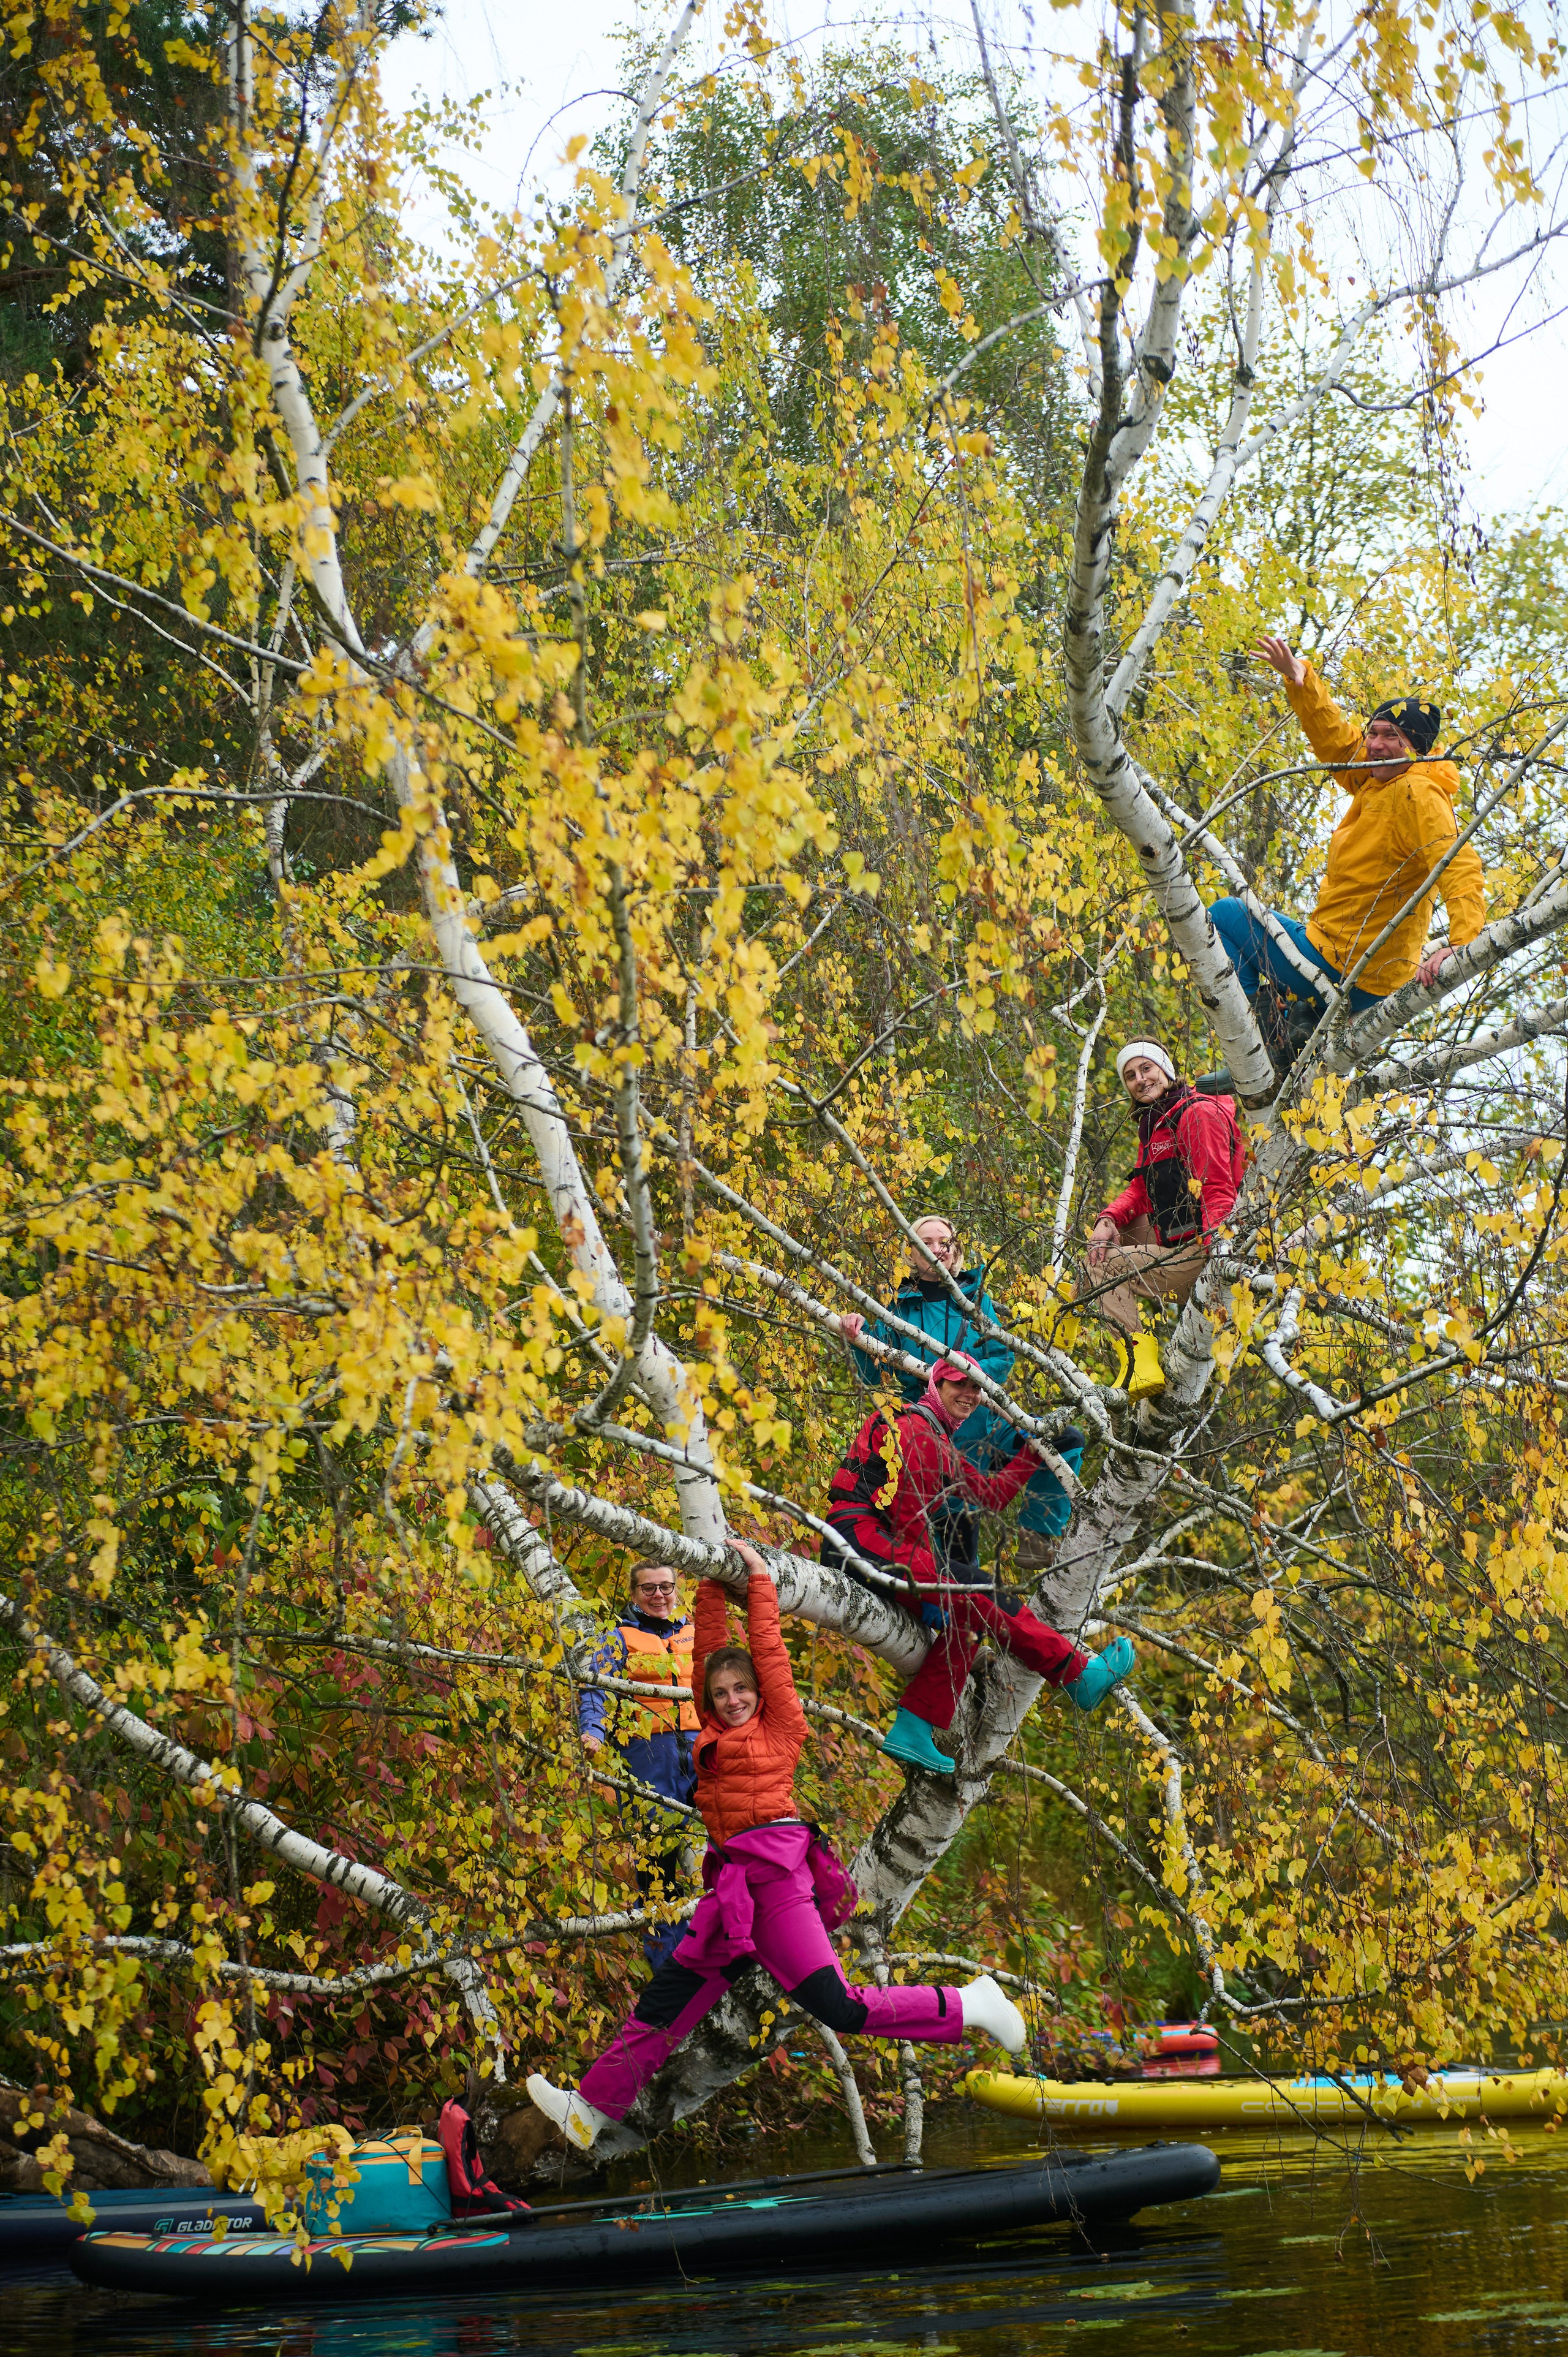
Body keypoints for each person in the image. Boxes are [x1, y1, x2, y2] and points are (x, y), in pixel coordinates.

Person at [525, 1542, 1031, 2152]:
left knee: (839, 2006)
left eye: (741, 1690)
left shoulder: (780, 1722)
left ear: (757, 1693)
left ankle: (970, 2003)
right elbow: (709, 1650)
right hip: (733, 1893)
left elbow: (765, 1652)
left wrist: (759, 1580)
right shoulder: (710, 1729)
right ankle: (589, 2108)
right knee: (665, 2002)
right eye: (721, 1693)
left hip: (779, 1883)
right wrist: (713, 1578)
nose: (732, 1698)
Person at [824, 1355, 1134, 1776]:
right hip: (858, 1541)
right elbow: (906, 1516)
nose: (969, 1395)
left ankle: (913, 1726)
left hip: (883, 1548)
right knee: (977, 1593)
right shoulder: (915, 1428)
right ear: (935, 1384)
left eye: (976, 1388)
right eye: (959, 1384)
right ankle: (1075, 1673)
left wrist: (1032, 1450)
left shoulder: (937, 1439)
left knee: (971, 1616)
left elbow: (989, 1495)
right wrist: (932, 1585)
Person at [1207, 635, 1485, 1078]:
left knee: (1223, 916)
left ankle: (1254, 1049)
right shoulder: (1376, 782)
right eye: (1372, 732)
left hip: (1344, 961)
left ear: (1415, 747)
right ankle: (1294, 1038)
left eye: (1390, 736)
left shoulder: (1416, 792)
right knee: (1283, 932)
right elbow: (1341, 745)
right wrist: (1301, 681)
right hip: (1355, 967)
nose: (1375, 744)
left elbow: (1455, 861)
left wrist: (1462, 941)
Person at [838, 1213, 1073, 1572]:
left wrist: (962, 1374)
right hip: (934, 1441)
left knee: (1063, 1437)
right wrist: (857, 1336)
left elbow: (1001, 1355)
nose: (935, 1250)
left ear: (955, 1249)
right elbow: (873, 1372)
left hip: (987, 1426)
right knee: (958, 1563)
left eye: (943, 1242)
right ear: (913, 1254)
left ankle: (1036, 1536)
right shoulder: (899, 1308)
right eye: (925, 1244)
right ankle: (935, 1616)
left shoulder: (976, 1299)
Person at [1080, 1041, 1245, 1403]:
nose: (1140, 1080)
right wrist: (1107, 1218)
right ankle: (1063, 1305)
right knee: (1102, 1237)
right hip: (1177, 1242)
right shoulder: (1156, 1122)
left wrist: (1220, 1255)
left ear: (1166, 1070)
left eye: (1147, 1069)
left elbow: (1219, 1191)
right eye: (1130, 1076)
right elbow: (1142, 1187)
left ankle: (1138, 1359)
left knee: (1102, 1263)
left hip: (1206, 1253)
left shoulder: (1196, 1114)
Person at [579, 1561, 699, 1967]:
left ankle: (722, 1949)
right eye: (648, 1589)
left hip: (703, 1755)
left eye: (666, 1586)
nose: (659, 1595)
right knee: (657, 1869)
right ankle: (669, 1964)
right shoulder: (617, 1639)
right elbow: (596, 1687)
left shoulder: (697, 1634)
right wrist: (593, 1731)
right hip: (648, 1759)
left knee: (717, 1857)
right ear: (634, 1594)